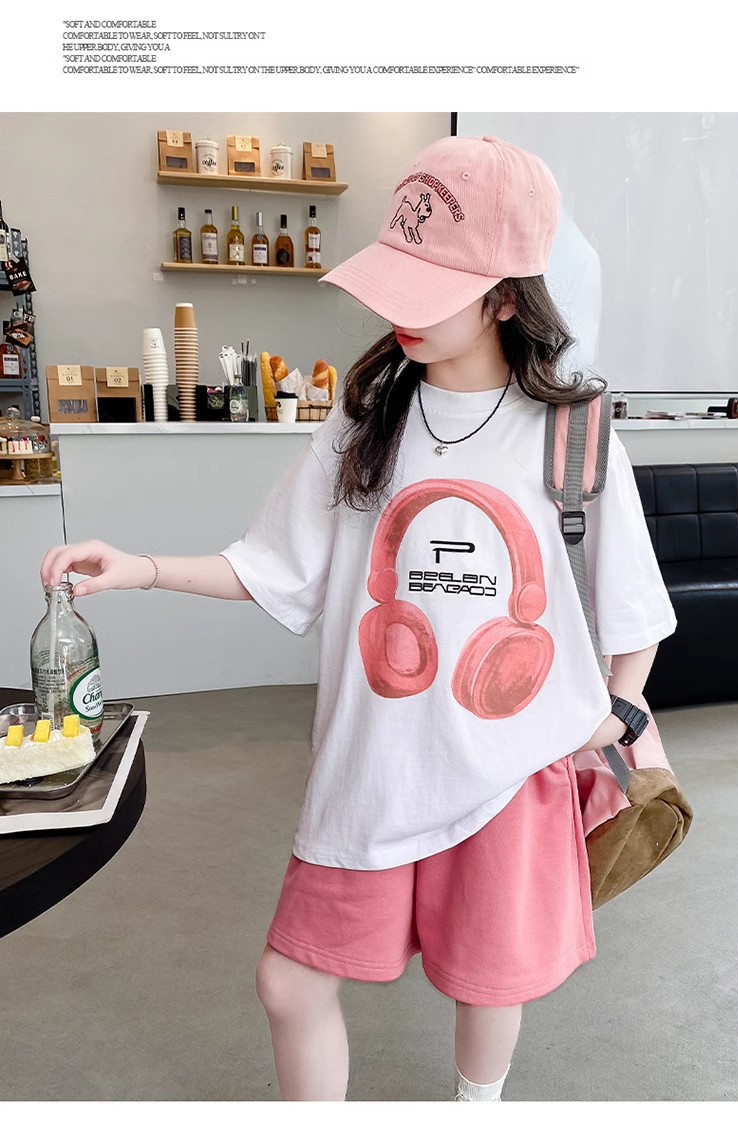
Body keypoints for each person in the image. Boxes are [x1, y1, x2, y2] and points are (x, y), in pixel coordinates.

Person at [40, 136, 677, 1102]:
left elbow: (634, 611)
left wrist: (616, 713)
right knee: (290, 980)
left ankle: (476, 1110)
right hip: (371, 769)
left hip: (510, 774)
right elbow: (275, 564)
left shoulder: (576, 433)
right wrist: (143, 569)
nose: (398, 310)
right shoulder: (369, 414)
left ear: (509, 296)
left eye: (431, 287)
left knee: (485, 977)